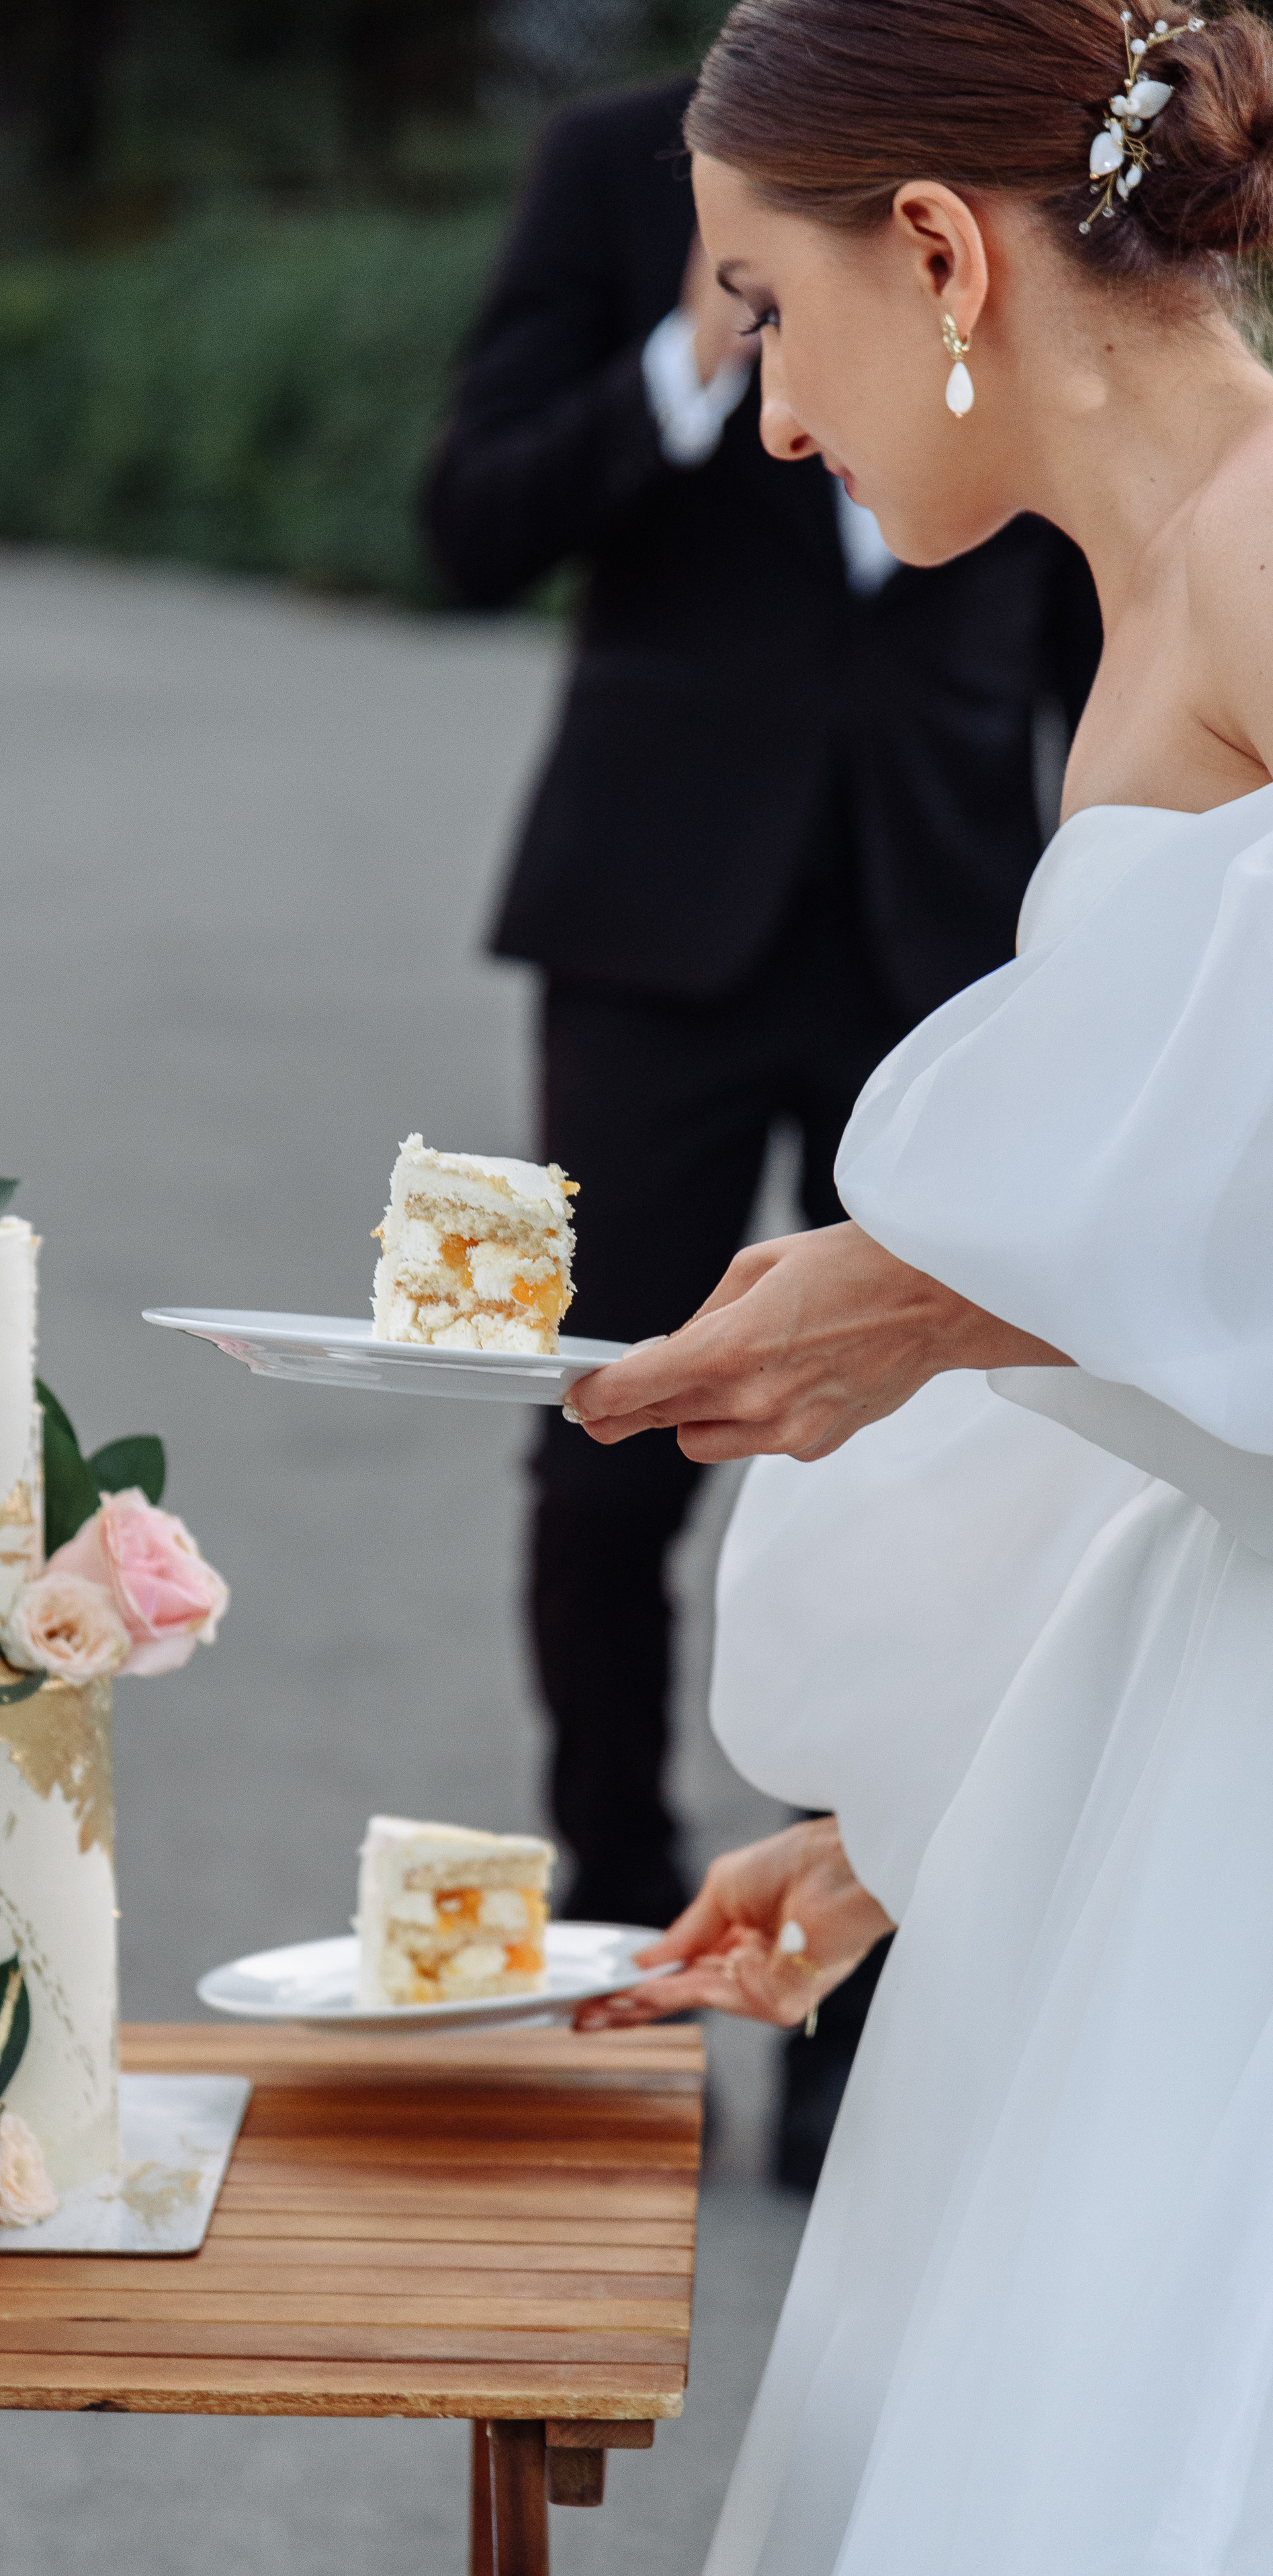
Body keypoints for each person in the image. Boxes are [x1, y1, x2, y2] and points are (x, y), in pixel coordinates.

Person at [565, 0, 1273, 2563]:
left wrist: (940, 1292)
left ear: (948, 255)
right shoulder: (1166, 592)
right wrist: (924, 1810)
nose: (770, 416)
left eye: (772, 310)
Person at [420, 74, 1100, 2184]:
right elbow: (467, 523)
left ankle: (848, 2001)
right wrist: (700, 349)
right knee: (608, 1441)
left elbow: (1107, 583)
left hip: (944, 919)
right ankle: (625, 1946)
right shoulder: (616, 167)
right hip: (657, 924)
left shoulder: (1018, 150)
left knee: (929, 1466)